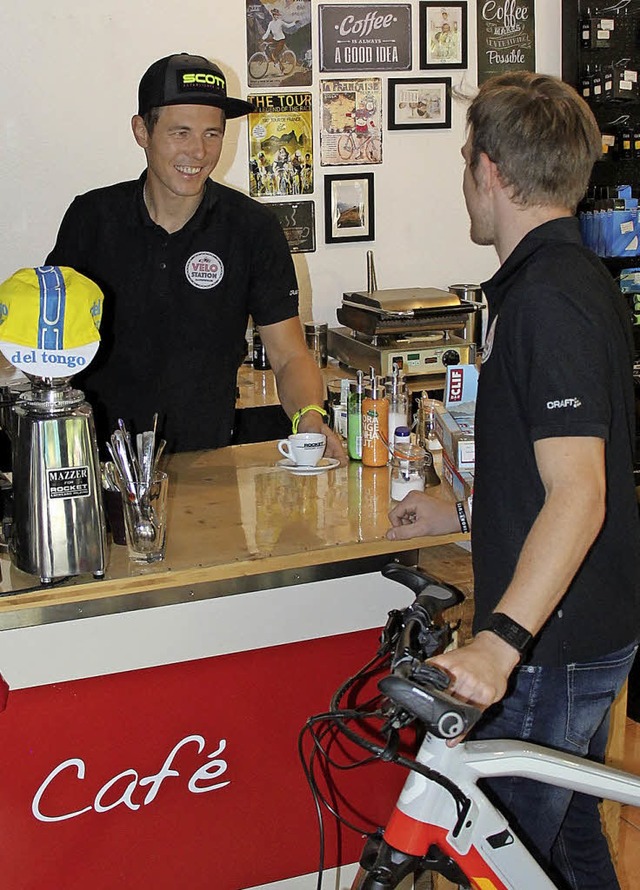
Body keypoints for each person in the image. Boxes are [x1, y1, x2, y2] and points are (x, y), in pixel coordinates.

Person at [386, 72, 639, 889]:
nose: (465, 179)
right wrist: (457, 501)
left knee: (490, 860)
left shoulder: (548, 300)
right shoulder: (560, 280)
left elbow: (579, 491)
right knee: (562, 849)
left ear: (491, 170)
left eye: (466, 161)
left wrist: (501, 644)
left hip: (551, 639)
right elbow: (548, 459)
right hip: (576, 625)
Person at [46, 53, 344, 460]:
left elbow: (289, 354)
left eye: (212, 134)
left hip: (208, 463)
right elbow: (49, 338)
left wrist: (309, 417)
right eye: (180, 132)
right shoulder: (92, 219)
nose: (199, 152)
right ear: (141, 131)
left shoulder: (253, 228)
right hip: (97, 466)